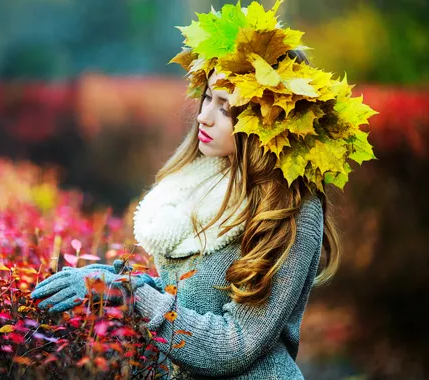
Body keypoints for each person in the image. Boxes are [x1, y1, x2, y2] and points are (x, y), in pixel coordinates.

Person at [31, 1, 377, 378]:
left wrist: (134, 296)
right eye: (208, 97)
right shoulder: (198, 180)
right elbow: (184, 299)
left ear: (267, 122)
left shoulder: (290, 206)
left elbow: (236, 344)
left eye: (226, 108)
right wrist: (110, 283)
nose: (203, 115)